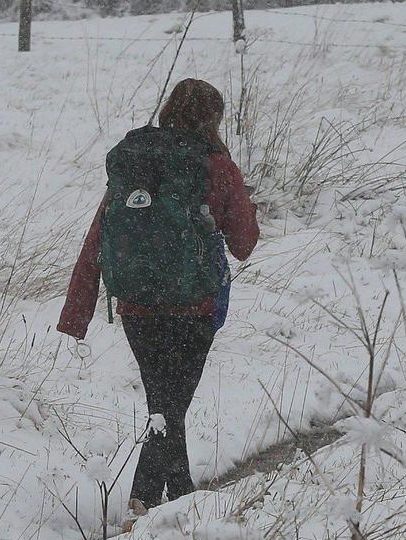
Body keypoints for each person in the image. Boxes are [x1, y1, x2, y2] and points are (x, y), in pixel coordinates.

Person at [58, 79, 259, 515]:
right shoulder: (216, 166)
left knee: (163, 408)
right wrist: (243, 205)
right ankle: (152, 505)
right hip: (194, 306)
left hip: (137, 305)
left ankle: (169, 500)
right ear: (212, 119)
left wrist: (77, 311)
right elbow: (244, 243)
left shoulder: (137, 164)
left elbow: (100, 235)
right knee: (171, 409)